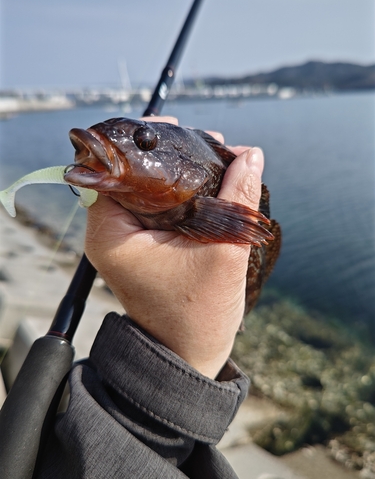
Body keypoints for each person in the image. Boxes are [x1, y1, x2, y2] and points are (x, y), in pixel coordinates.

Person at [35, 116, 265, 478]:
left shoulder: (198, 207)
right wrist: (189, 351)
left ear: (190, 170)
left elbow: (247, 238)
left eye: (143, 142)